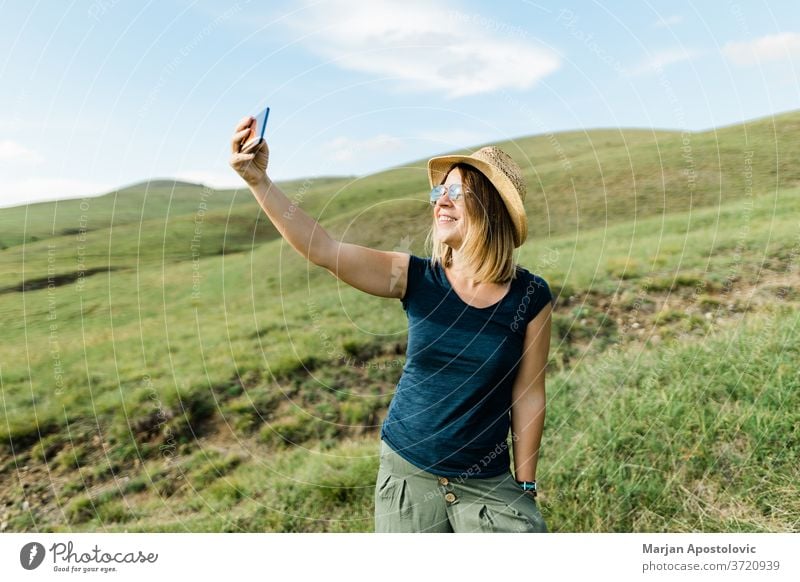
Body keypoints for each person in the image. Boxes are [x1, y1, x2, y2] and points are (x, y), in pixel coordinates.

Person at [230, 116, 554, 533]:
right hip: (408, 471)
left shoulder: (531, 296)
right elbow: (324, 249)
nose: (441, 200)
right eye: (440, 190)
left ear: (491, 207)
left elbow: (528, 394)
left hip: (486, 481)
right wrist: (259, 181)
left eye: (457, 190)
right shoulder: (416, 278)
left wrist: (524, 483)